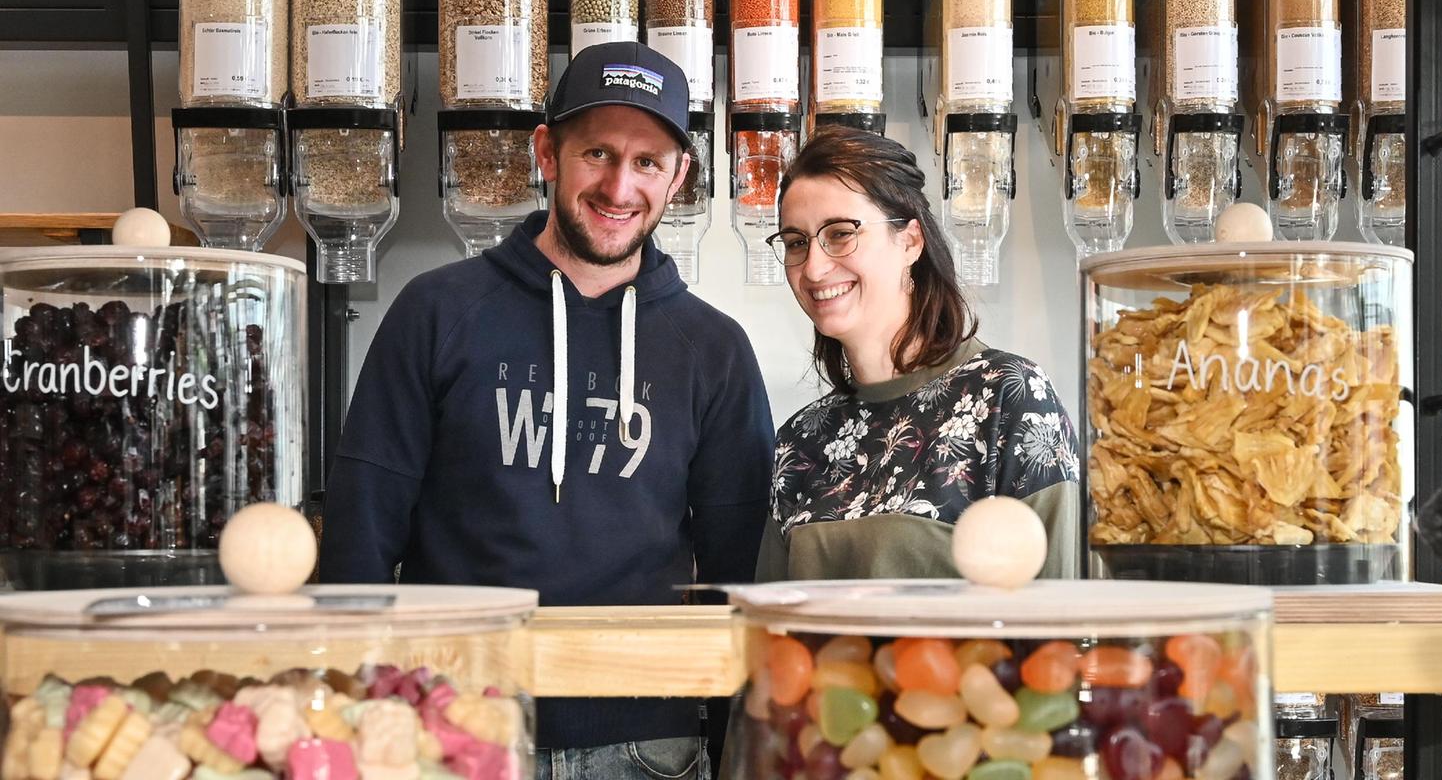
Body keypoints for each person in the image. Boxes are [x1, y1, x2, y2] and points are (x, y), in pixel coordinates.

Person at [320, 42, 774, 779]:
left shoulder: (713, 350)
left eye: (648, 162)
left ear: (679, 176)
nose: (619, 185)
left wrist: (737, 756)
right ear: (547, 152)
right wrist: (355, 716)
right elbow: (361, 528)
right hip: (456, 725)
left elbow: (737, 577)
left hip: (648, 743)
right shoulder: (436, 311)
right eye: (596, 152)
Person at [756, 125, 1079, 581]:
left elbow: (1068, 618)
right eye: (796, 242)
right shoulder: (802, 440)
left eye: (841, 234)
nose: (813, 266)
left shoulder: (1009, 396)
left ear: (909, 241)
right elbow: (769, 633)